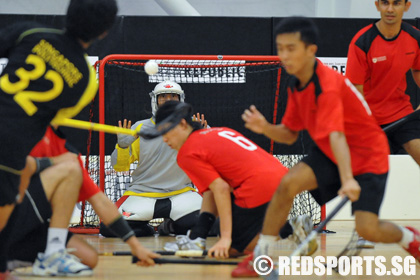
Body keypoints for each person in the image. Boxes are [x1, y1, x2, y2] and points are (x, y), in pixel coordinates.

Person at [241, 16, 420, 264]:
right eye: (280, 48)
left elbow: (337, 135)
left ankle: (409, 238)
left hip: (368, 155)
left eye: (291, 49)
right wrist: (265, 128)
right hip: (333, 152)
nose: (284, 55)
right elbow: (289, 133)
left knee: (368, 229)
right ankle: (262, 255)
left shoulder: (327, 86)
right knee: (287, 184)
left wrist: (347, 179)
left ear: (311, 50)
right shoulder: (297, 85)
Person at [0, 0, 118, 278]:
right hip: (9, 149)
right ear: (104, 32)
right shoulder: (86, 82)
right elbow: (51, 119)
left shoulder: (31, 33)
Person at [140, 100, 317, 278]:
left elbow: (221, 189)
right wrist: (198, 236)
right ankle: (294, 228)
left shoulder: (187, 152)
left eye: (166, 131)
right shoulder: (216, 131)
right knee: (229, 246)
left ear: (183, 124)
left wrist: (225, 238)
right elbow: (211, 191)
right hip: (281, 178)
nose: (164, 139)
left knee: (233, 245)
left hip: (257, 186)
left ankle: (290, 231)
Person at [1, 126, 160, 277]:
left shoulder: (69, 152)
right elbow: (24, 167)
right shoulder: (26, 130)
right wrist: (56, 162)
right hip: (9, 214)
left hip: (31, 226)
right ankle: (52, 252)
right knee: (69, 169)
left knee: (89, 258)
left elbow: (100, 201)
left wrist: (135, 246)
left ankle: (14, 260)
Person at [346, 0, 420, 249]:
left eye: (396, 3)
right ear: (377, 5)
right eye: (385, 2)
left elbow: (418, 70)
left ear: (407, 6)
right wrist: (367, 127)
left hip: (402, 115)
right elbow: (355, 94)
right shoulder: (362, 42)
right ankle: (363, 230)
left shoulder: (414, 38)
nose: (390, 8)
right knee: (368, 177)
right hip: (369, 120)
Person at [100, 80, 206, 237]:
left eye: (173, 96)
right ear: (154, 100)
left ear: (181, 100)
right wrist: (121, 146)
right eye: (163, 96)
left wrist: (203, 138)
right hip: (142, 194)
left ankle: (169, 227)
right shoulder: (139, 128)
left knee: (209, 226)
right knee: (109, 228)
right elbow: (119, 167)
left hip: (181, 193)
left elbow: (208, 163)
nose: (168, 100)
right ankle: (146, 230)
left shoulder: (194, 127)